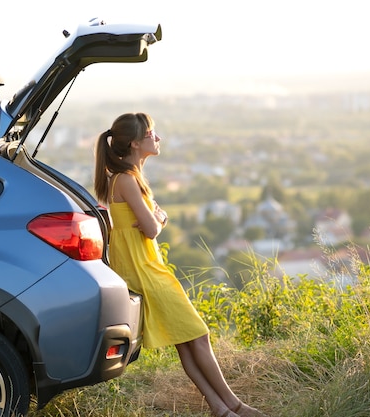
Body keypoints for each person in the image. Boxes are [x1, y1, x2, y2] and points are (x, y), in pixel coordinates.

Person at [93, 112, 265, 417]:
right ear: (134, 143)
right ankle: (234, 405)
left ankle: (221, 409)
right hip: (146, 271)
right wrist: (157, 216)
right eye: (151, 134)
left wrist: (153, 216)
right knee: (198, 334)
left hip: (143, 267)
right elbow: (151, 228)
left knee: (186, 343)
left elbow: (141, 224)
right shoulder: (128, 180)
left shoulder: (125, 178)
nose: (157, 138)